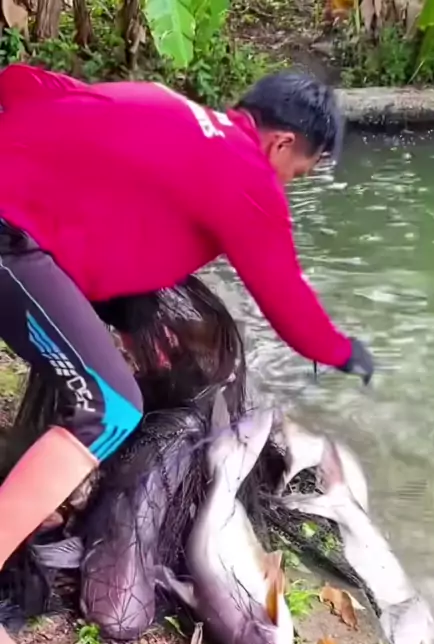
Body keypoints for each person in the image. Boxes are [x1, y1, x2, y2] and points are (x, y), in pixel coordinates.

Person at [0, 63, 374, 572]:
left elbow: (22, 83)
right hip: (9, 242)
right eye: (298, 172)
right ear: (282, 143)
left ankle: (36, 495)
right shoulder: (250, 179)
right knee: (112, 408)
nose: (289, 183)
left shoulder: (165, 103)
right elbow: (288, 304)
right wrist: (343, 352)